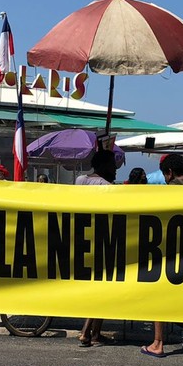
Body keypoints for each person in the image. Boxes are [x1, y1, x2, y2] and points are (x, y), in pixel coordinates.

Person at [140, 153, 183, 357]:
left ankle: (158, 343)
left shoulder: (169, 189)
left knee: (160, 296)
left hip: (170, 251)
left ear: (170, 172)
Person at [76, 149, 117, 347]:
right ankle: (86, 332)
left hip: (82, 239)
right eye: (112, 165)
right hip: (101, 240)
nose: (115, 169)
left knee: (99, 288)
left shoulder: (80, 181)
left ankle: (96, 333)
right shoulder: (107, 187)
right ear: (102, 166)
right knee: (103, 287)